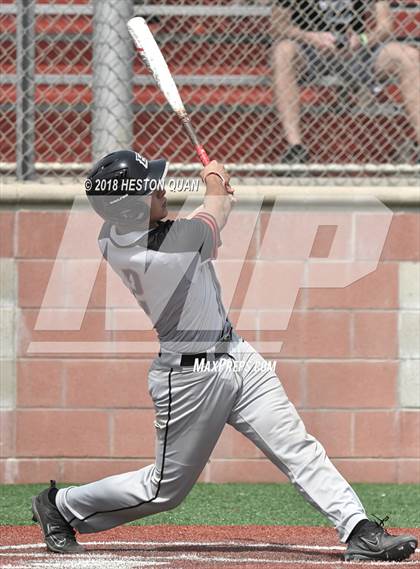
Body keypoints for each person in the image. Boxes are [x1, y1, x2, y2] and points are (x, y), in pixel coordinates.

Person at [31, 150, 417, 562]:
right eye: (149, 189)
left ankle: (358, 529)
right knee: (164, 490)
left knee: (297, 446)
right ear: (129, 207)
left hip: (237, 354)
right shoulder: (161, 250)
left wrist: (218, 197)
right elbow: (211, 215)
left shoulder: (112, 232)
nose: (160, 189)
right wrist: (216, 182)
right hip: (190, 376)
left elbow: (208, 215)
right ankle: (61, 504)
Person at [273, 0, 420, 163]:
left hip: (357, 52)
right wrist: (310, 37)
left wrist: (363, 39)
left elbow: (385, 26)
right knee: (283, 51)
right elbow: (278, 25)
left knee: (409, 56)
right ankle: (296, 148)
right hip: (312, 51)